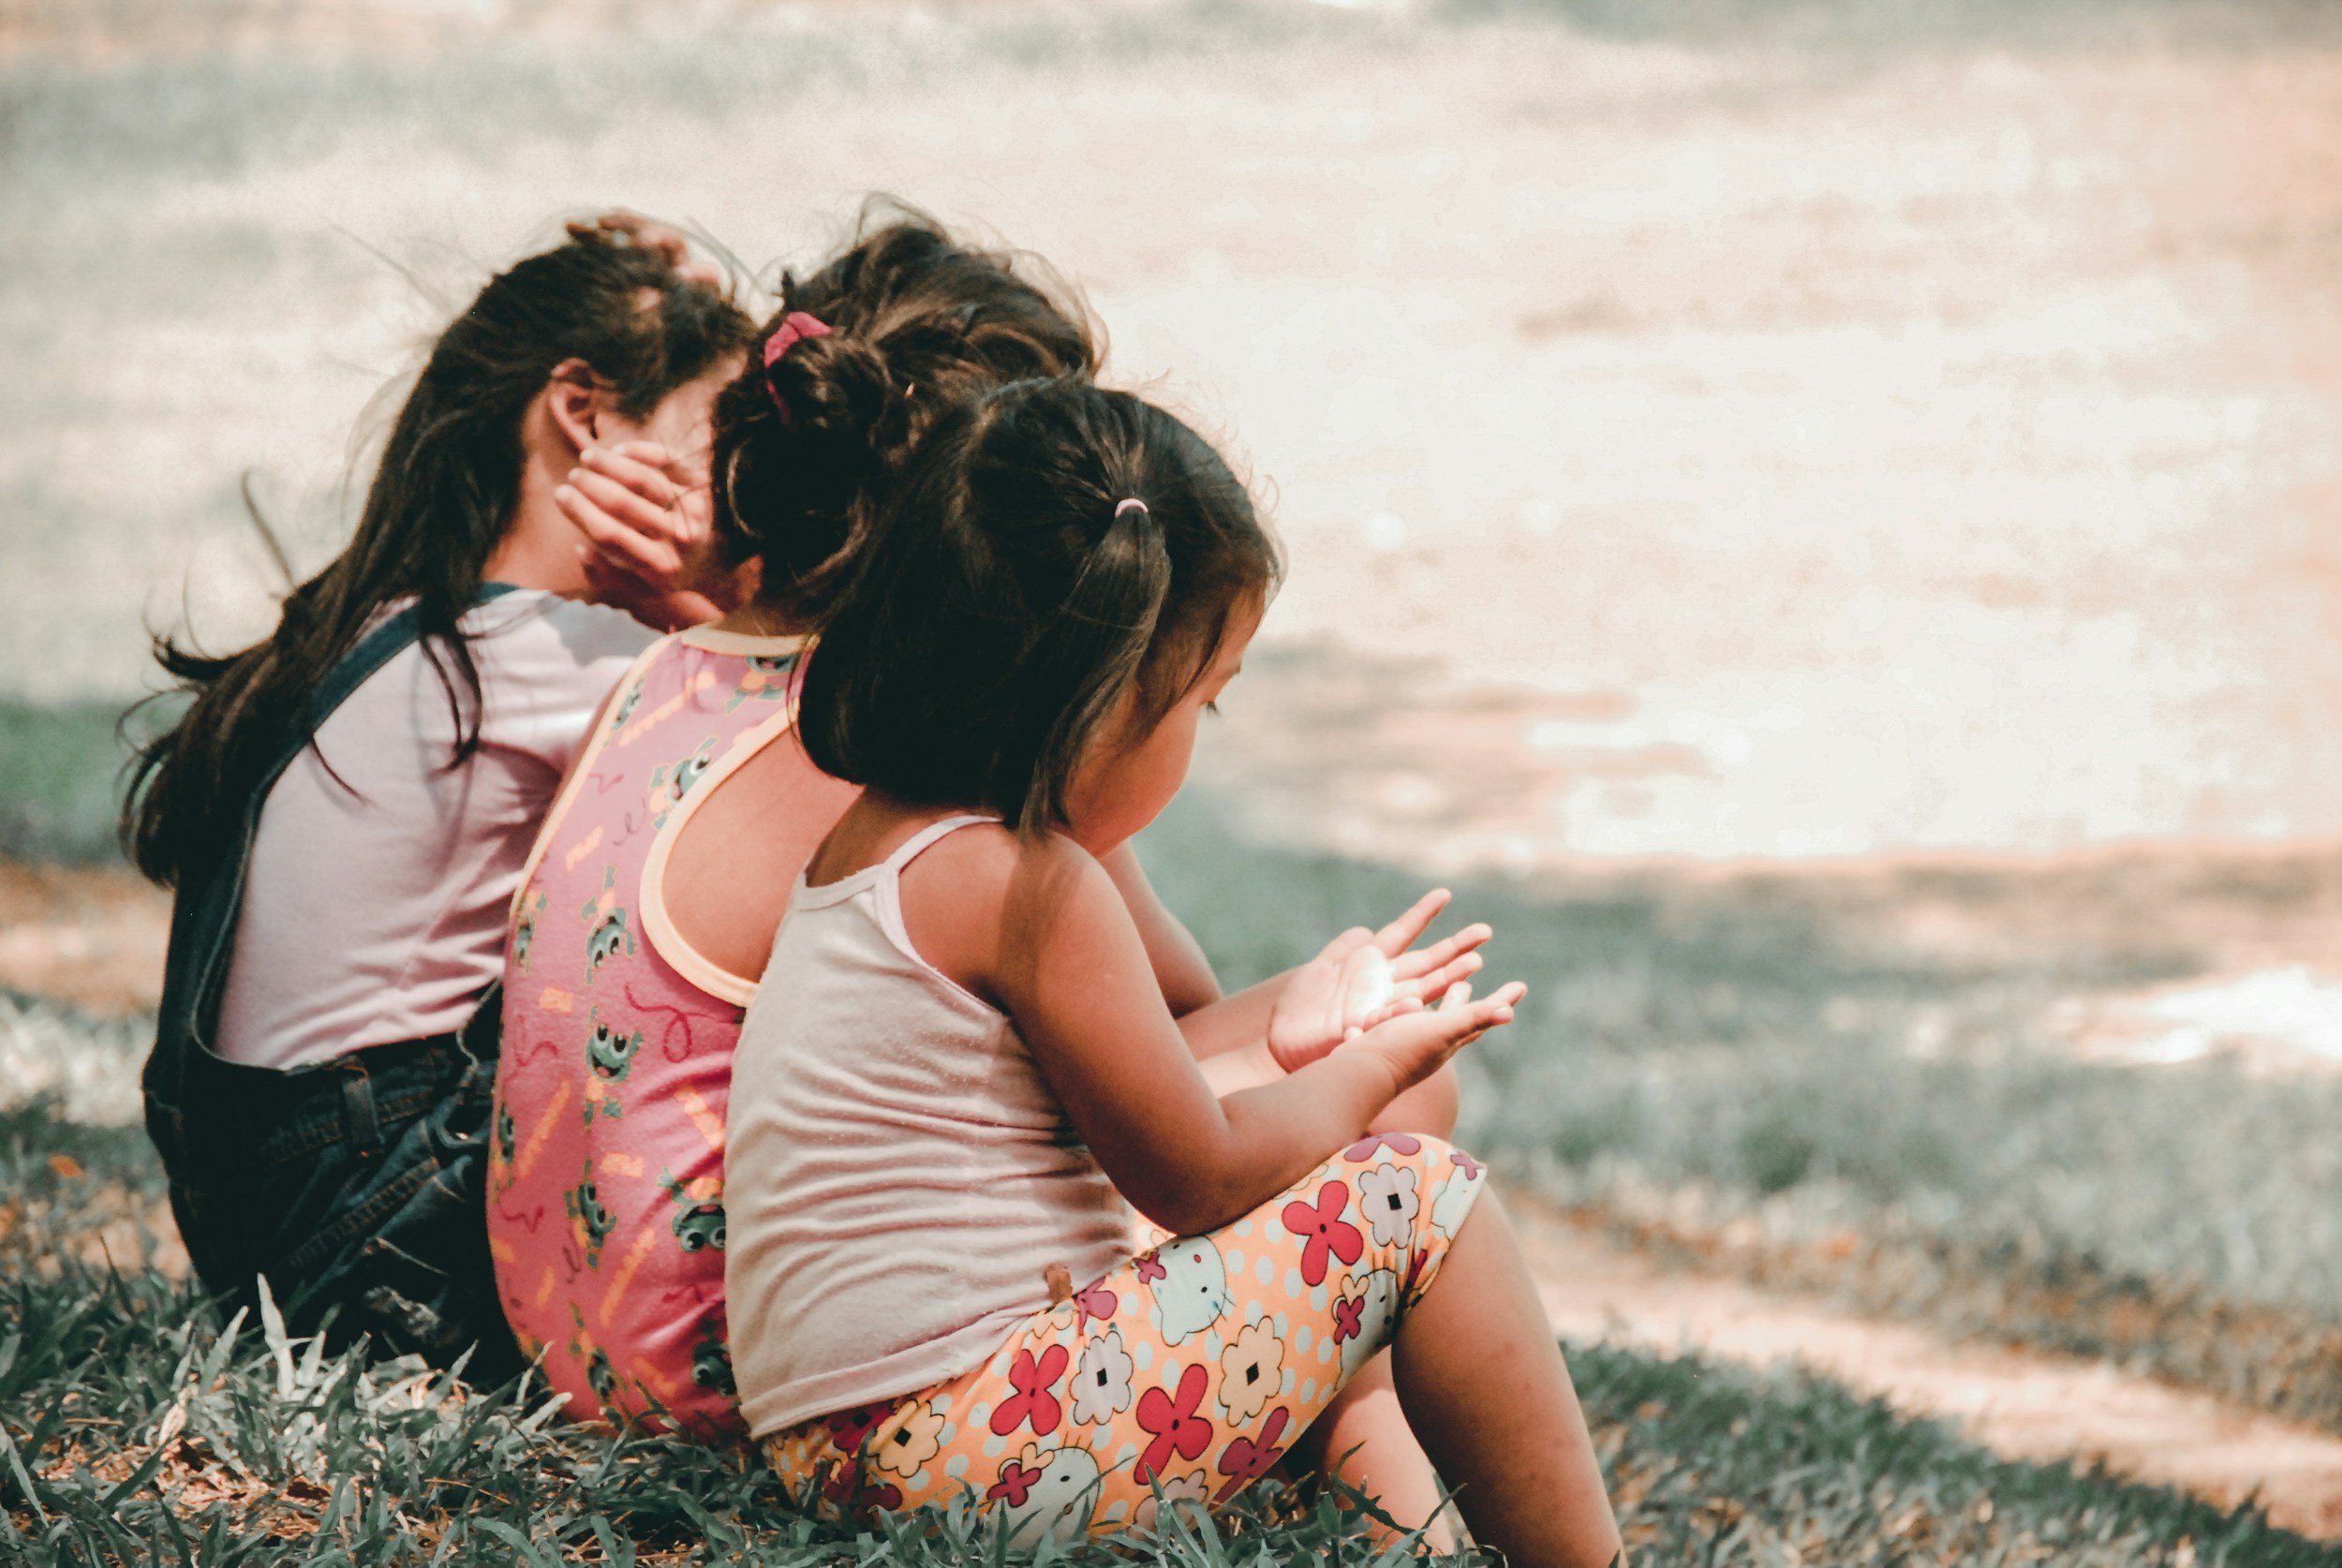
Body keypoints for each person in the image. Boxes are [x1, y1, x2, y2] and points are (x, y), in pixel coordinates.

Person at [494, 211, 1485, 1476]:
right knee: (1397, 1103)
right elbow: (1174, 1074)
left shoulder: (674, 665)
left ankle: (1374, 1464)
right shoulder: (919, 759)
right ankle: (1381, 1473)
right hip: (753, 1375)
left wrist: (1314, 1009)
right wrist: (1352, 1051)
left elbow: (1156, 1024)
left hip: (586, 1332)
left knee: (1355, 1075)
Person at [725, 376, 1625, 1566]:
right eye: (1204, 699)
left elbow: (1133, 1088)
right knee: (1419, 1198)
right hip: (964, 1450)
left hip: (852, 1449)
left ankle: (1414, 1546)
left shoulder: (885, 844)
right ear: (1102, 699)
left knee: (1362, 1177)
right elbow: (1197, 1175)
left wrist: (1302, 1029)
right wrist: (1370, 1071)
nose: (1202, 731)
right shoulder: (1027, 883)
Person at [123, 218, 756, 1379]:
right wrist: (704, 602)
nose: (729, 487)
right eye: (713, 435)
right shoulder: (557, 656)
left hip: (270, 1225)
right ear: (584, 411)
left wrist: (666, 298)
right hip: (379, 1248)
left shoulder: (386, 623)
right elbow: (822, 772)